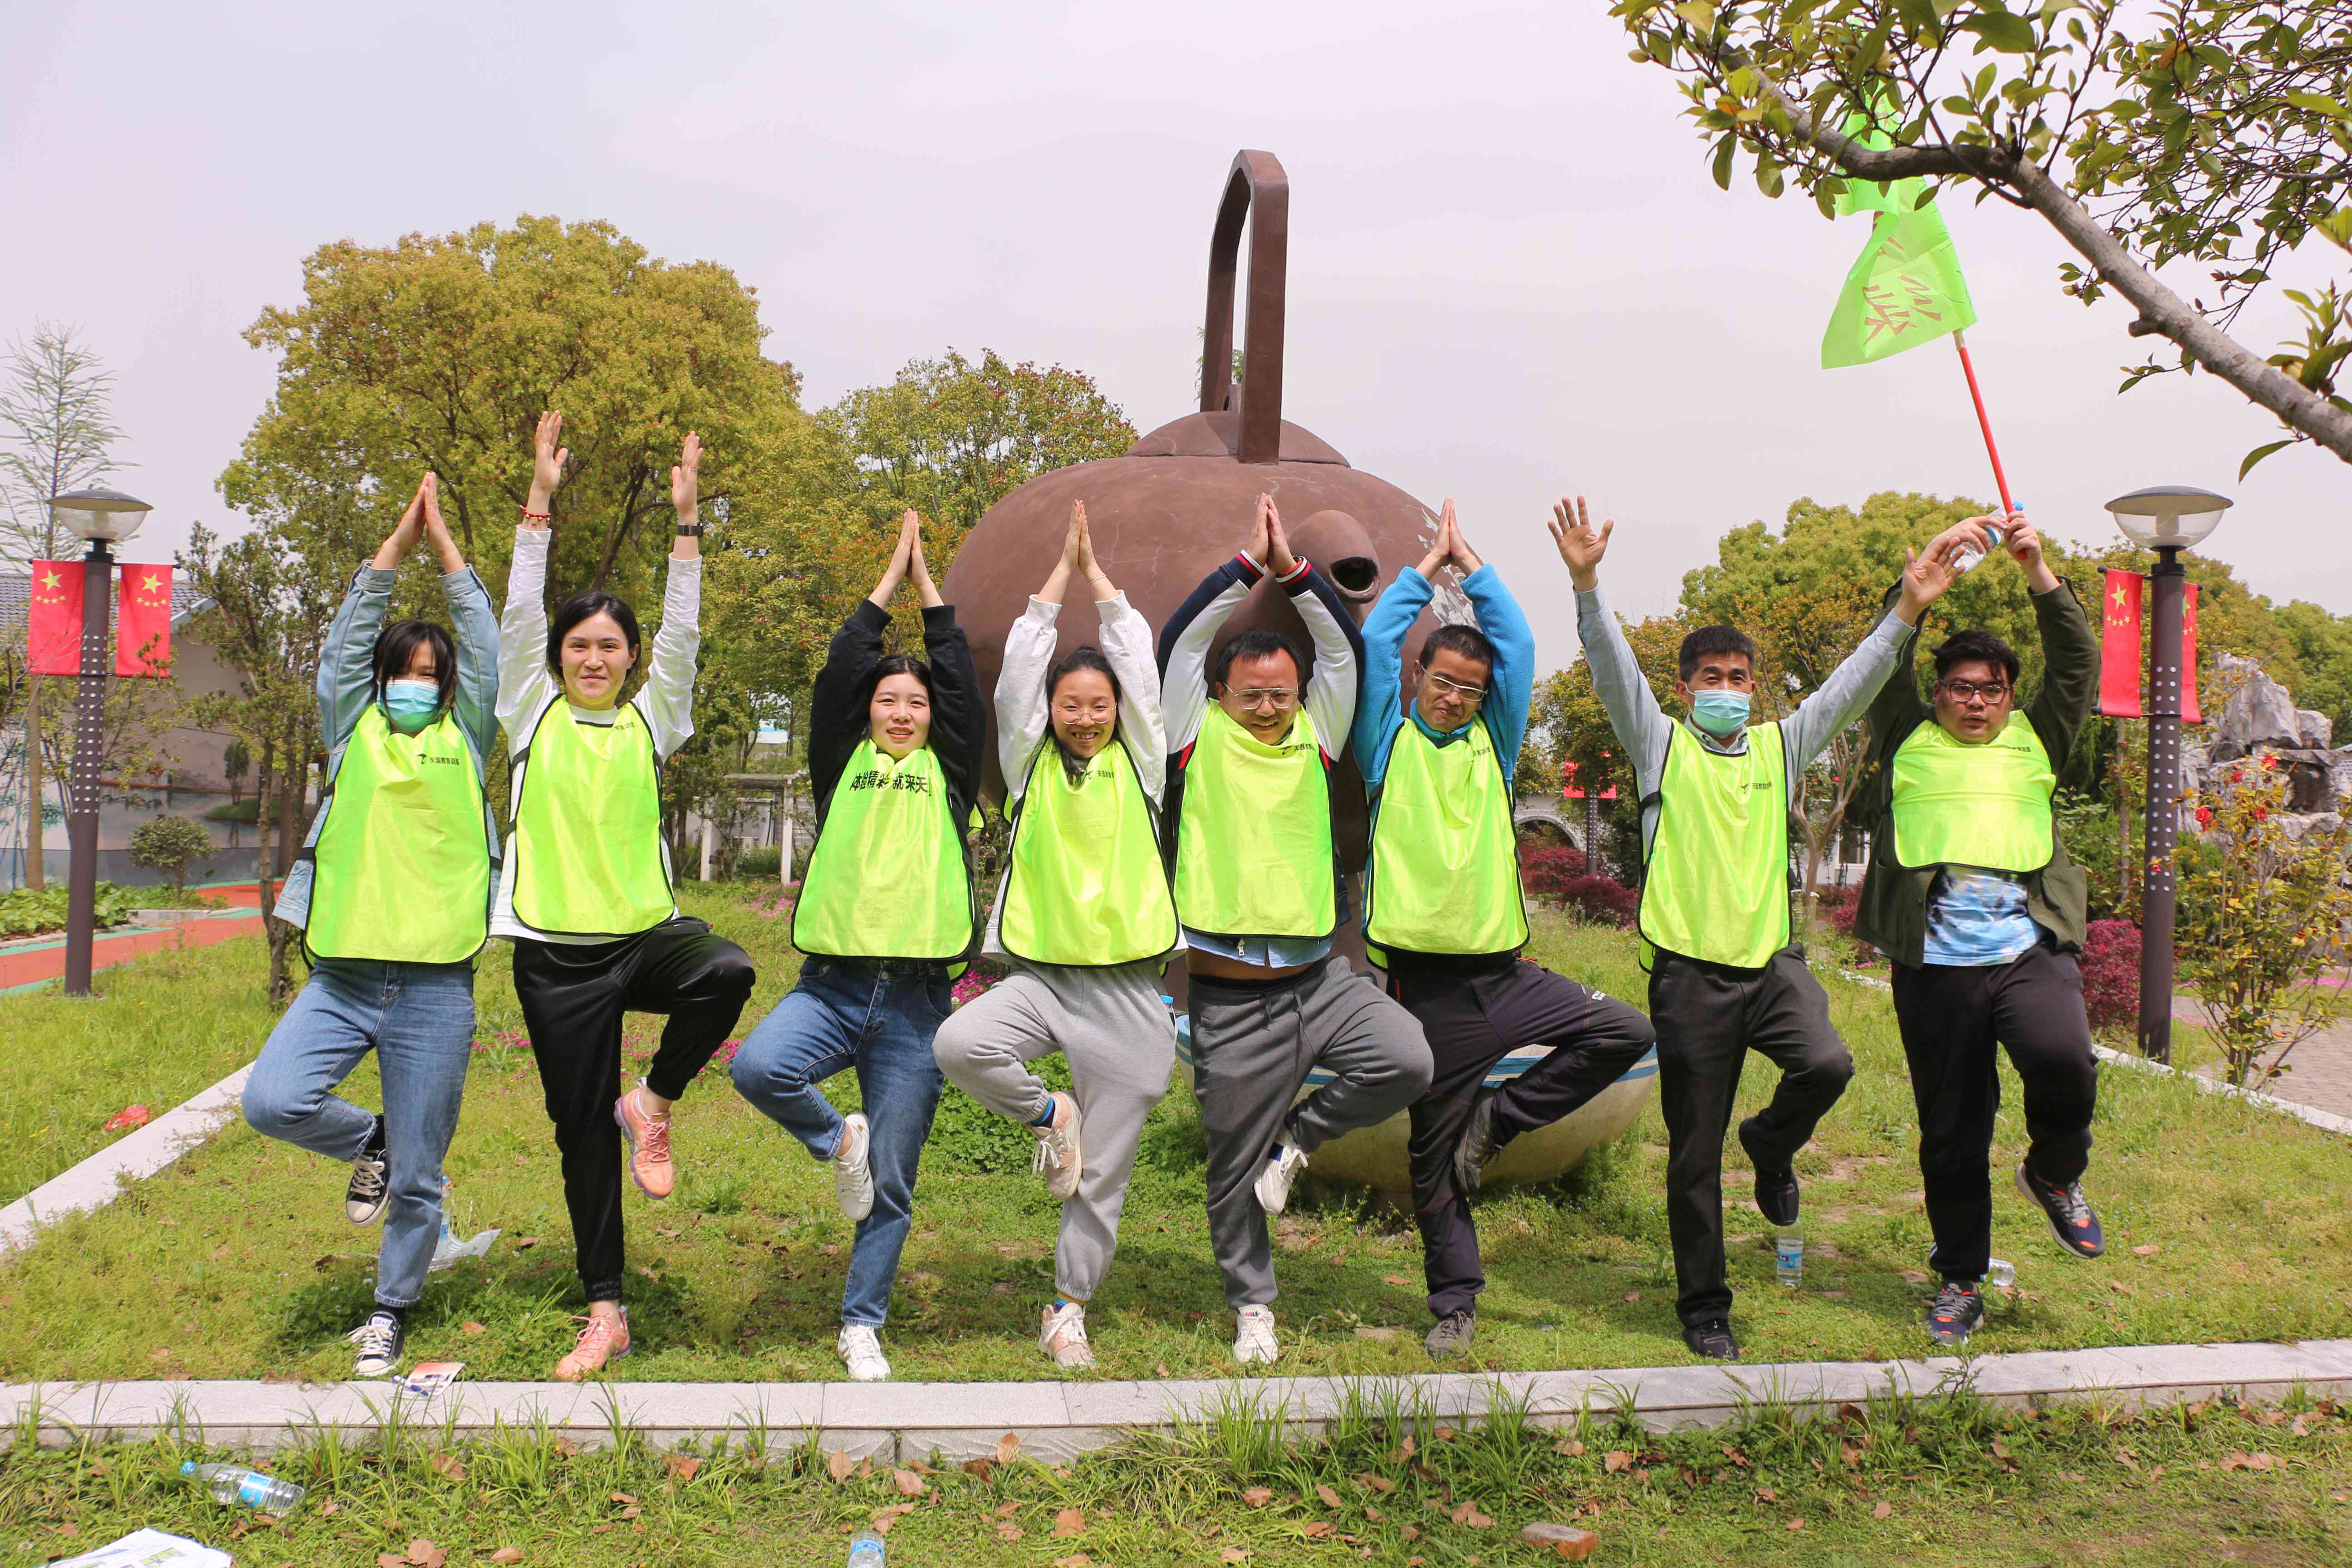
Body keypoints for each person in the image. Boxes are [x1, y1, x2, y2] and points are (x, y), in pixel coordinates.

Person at [1554, 496, 1974, 1360]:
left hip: (1771, 969)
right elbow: (1609, 671)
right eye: (1710, 678)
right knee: (1693, 1156)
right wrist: (1589, 585)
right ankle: (1705, 1307)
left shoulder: (1783, 747)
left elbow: (1852, 685)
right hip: (1689, 982)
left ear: (1755, 687)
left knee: (1828, 1063)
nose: (1725, 691)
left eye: (1739, 678)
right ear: (1685, 689)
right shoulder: (1659, 745)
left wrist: (1910, 606)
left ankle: (1773, 1142)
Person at [1356, 501, 1658, 1362]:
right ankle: (1454, 1304)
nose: (1454, 698)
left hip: (1509, 977)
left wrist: (1475, 569)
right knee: (1431, 1163)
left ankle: (1504, 1119)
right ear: (1419, 683)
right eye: (1441, 683)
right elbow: (1379, 644)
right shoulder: (1387, 742)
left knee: (1625, 1032)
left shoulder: (1492, 744)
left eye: (1468, 690)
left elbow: (1517, 648)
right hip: (1428, 993)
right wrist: (1427, 567)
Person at [497, 412, 756, 1382]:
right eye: (581, 646)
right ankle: (606, 1310)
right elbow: (520, 616)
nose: (594, 658)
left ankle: (650, 1099)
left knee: (727, 969)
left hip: (644, 939)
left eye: (611, 646)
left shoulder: (654, 722)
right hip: (555, 958)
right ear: (560, 657)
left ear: (630, 659)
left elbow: (683, 637)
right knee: (578, 1143)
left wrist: (687, 528)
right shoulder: (528, 714)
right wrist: (541, 502)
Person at [1158, 493, 1433, 1367]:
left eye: (1281, 693)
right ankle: (1253, 1308)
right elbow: (1181, 642)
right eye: (1254, 695)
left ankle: (1301, 1139)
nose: (1269, 706)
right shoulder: (1190, 734)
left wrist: (1298, 575)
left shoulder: (1319, 733)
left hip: (1321, 981)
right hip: (1231, 998)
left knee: (1408, 1060)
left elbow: (1347, 657)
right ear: (1222, 693)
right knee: (1230, 1172)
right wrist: (1246, 567)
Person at [240, 473, 500, 1379]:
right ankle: (372, 1140)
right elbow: (345, 649)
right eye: (404, 673)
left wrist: (450, 551)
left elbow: (484, 643)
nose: (417, 685)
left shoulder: (467, 735)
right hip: (344, 978)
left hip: (435, 986)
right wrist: (396, 544)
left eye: (432, 676)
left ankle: (391, 1309)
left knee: (424, 1178)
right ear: (383, 679)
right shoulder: (353, 730)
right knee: (273, 1100)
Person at [730, 511, 984, 1383]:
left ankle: (862, 1321)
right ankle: (838, 1138)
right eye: (889, 700)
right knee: (759, 1070)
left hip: (917, 1004)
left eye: (916, 703)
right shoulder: (839, 762)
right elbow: (839, 671)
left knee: (897, 1181)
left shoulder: (949, 771)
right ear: (868, 714)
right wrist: (886, 587)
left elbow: (961, 689)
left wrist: (933, 600)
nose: (905, 711)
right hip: (832, 987)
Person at [932, 500, 1180, 1371]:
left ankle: (1067, 1308)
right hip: (1041, 980)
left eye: (1097, 705)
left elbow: (1143, 675)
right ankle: (1050, 1114)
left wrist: (1100, 581)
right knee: (960, 1044)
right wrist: (1053, 586)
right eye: (1070, 706)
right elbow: (1015, 684)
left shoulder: (1144, 765)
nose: (1085, 716)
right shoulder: (1027, 764)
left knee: (1104, 1174)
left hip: (1125, 992)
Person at [1847, 512, 2105, 1348]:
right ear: (1941, 693)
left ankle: (2054, 1173)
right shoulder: (1905, 737)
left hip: (2026, 951)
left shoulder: (2038, 737)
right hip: (1936, 967)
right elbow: (1880, 668)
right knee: (1952, 1129)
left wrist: (2040, 574)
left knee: (2064, 1060)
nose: (1976, 701)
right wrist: (1915, 592)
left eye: (1991, 689)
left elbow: (2077, 666)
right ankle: (1961, 1277)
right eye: (1961, 686)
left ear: (2007, 696)